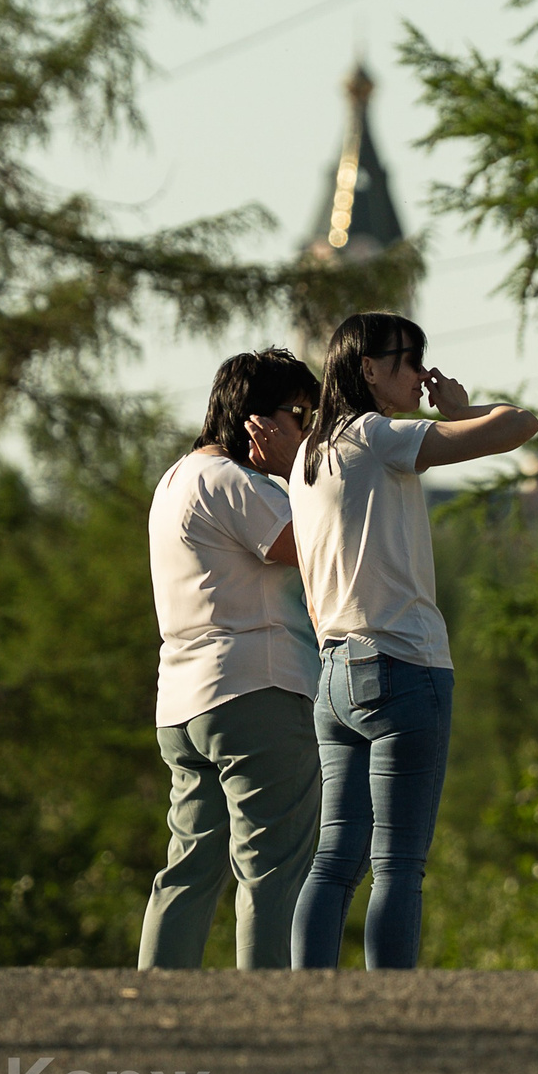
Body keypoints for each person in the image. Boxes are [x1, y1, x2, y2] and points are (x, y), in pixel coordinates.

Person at [288, 312, 538, 969]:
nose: (419, 374)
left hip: (335, 669)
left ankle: (304, 996)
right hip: (402, 662)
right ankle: (389, 1005)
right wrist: (460, 408)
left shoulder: (309, 457)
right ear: (367, 369)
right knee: (398, 864)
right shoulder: (376, 436)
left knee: (335, 860)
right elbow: (519, 426)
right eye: (407, 360)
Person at [140, 348, 324, 969]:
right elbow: (317, 548)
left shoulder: (174, 480)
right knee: (273, 868)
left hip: (183, 700)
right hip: (257, 692)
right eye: (303, 416)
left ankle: (154, 1002)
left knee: (190, 867)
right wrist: (294, 470)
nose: (309, 434)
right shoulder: (236, 481)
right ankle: (270, 1019)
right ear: (260, 420)